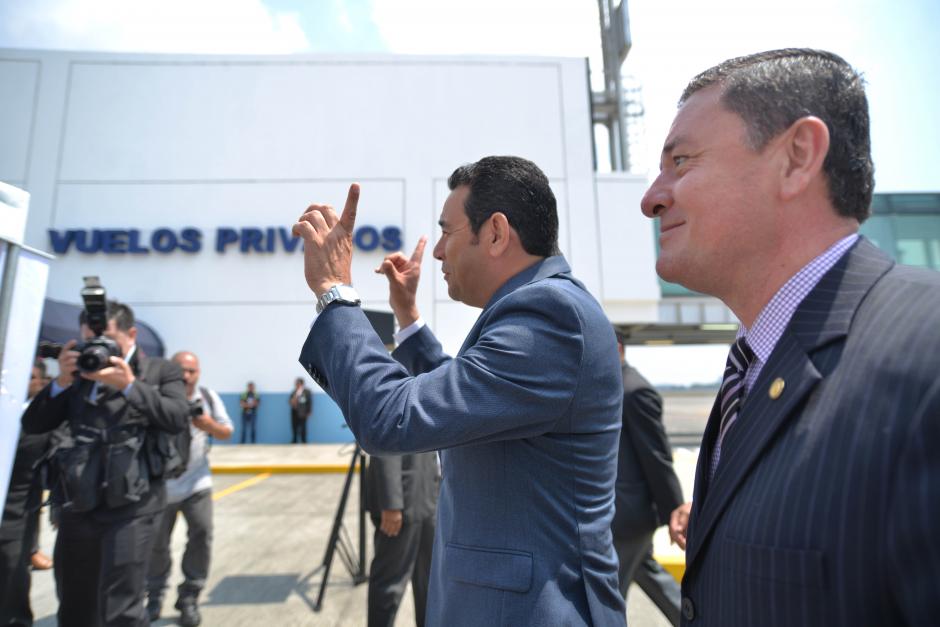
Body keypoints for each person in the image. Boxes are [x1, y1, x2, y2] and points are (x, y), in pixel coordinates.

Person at [641, 49, 940, 626]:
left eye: (681, 161)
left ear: (797, 157)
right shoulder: (751, 369)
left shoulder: (924, 355)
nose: (651, 197)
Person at [294, 156, 625, 626]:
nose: (437, 252)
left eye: (447, 232)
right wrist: (408, 318)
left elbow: (391, 417)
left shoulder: (550, 315)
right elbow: (467, 398)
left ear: (495, 233)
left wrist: (335, 293)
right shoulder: (541, 309)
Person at [21, 300, 189, 626]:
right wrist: (61, 382)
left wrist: (129, 386)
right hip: (77, 503)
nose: (97, 349)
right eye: (89, 341)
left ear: (131, 335)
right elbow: (34, 423)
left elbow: (176, 418)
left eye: (107, 340)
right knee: (74, 602)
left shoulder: (160, 370)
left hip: (133, 503)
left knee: (122, 606)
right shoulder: (78, 374)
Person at [147, 351, 233, 627]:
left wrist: (208, 425)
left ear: (199, 373)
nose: (185, 376)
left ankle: (189, 597)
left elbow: (226, 431)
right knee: (156, 545)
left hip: (197, 482)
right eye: (180, 369)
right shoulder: (155, 396)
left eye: (191, 371)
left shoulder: (207, 398)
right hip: (160, 486)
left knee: (202, 534)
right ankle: (154, 596)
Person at [610, 332, 682, 626]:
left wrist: (674, 510)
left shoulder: (633, 390)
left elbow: (656, 457)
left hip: (627, 516)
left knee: (606, 598)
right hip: (629, 515)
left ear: (617, 348)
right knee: (649, 576)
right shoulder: (618, 387)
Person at [0, 363, 51, 626]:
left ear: (40, 382)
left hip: (17, 512)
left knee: (12, 576)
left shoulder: (44, 420)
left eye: (30, 377)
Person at [365, 452, 438, 627]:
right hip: (403, 501)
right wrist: (391, 502)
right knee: (389, 587)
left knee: (429, 585)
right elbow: (384, 444)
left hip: (429, 498)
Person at [288, 377, 312, 443]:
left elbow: (309, 402)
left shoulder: (307, 392)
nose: (296, 385)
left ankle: (304, 441)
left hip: (303, 412)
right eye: (296, 383)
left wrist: (309, 411)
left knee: (303, 427)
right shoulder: (294, 392)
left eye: (298, 383)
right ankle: (294, 440)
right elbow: (290, 401)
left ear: (302, 384)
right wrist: (295, 396)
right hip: (294, 412)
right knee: (294, 426)